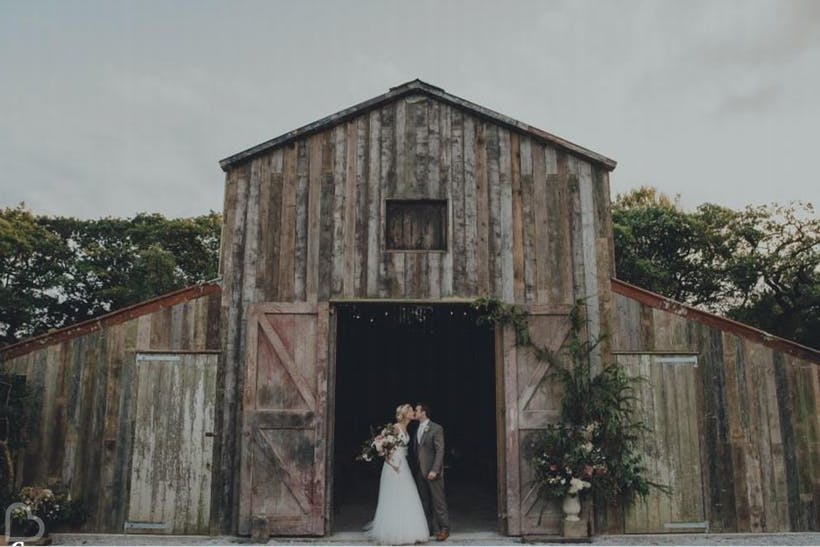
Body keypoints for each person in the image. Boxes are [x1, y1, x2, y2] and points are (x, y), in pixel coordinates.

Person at [368, 404, 430, 545]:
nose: (413, 412)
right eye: (410, 411)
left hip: (403, 465)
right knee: (394, 496)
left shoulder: (407, 428)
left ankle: (409, 531)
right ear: (404, 414)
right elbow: (383, 447)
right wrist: (392, 463)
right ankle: (393, 533)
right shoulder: (395, 427)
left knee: (407, 495)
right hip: (394, 466)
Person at [413, 403, 450, 541]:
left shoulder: (436, 428)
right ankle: (428, 529)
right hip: (420, 472)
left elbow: (440, 451)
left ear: (423, 412)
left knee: (438, 502)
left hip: (433, 472)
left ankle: (444, 529)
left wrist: (435, 470)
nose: (414, 413)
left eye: (416, 410)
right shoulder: (416, 428)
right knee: (424, 502)